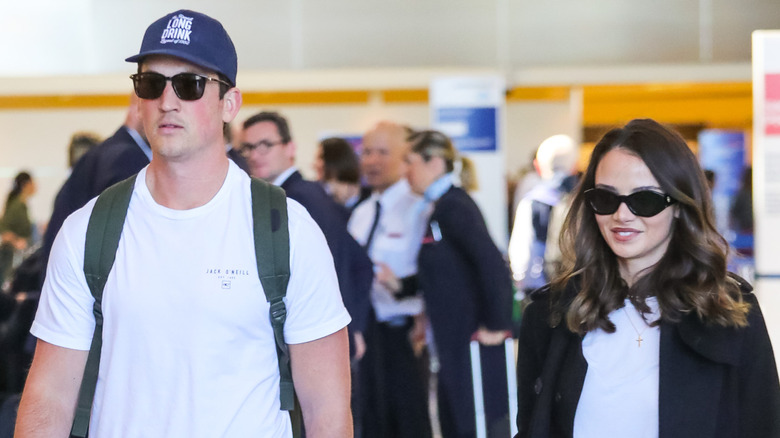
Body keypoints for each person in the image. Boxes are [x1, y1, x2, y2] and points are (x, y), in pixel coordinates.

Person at [15, 9, 352, 437]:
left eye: (190, 85)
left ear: (229, 104)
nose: (167, 101)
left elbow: (327, 409)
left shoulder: (286, 229)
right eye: (151, 84)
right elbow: (49, 397)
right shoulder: (88, 230)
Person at [515, 119, 780, 438]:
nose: (622, 215)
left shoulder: (729, 311)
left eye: (645, 200)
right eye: (606, 198)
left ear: (680, 206)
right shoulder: (550, 315)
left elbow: (763, 424)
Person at [401, 130, 514, 437]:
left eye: (409, 162)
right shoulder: (438, 208)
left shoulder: (454, 206)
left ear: (434, 162)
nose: (404, 171)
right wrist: (398, 286)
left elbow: (491, 262)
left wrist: (496, 323)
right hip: (453, 337)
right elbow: (445, 271)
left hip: (471, 336)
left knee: (473, 421)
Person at [240, 111, 373, 359]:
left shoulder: (294, 200)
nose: (255, 154)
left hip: (312, 339)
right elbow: (361, 263)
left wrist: (352, 326)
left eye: (265, 145)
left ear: (290, 147)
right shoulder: (306, 193)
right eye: (247, 147)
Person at [348, 121, 433, 438]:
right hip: (366, 335)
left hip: (406, 335)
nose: (371, 161)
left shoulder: (420, 210)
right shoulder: (362, 212)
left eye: (382, 152)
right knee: (371, 421)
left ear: (405, 157)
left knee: (409, 423)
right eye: (366, 151)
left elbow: (431, 274)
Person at [508, 134, 579, 297]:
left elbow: (523, 256)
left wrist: (522, 287)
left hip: (542, 290)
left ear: (538, 166)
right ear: (575, 166)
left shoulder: (533, 201)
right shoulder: (585, 199)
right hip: (578, 290)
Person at [314, 137, 370, 211]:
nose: (315, 165)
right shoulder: (316, 194)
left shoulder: (369, 197)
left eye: (320, 158)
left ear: (336, 159)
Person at [0, 171, 36, 286]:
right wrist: (17, 241)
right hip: (11, 258)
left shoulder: (22, 204)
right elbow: (4, 231)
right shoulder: (17, 205)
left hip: (17, 257)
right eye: (33, 182)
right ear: (26, 184)